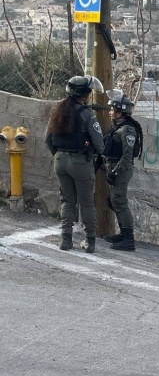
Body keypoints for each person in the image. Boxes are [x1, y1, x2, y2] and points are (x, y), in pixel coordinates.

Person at [45, 75, 105, 253]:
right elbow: (99, 144)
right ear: (85, 94)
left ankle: (65, 240)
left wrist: (58, 154)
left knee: (67, 200)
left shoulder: (58, 111)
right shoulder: (87, 114)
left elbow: (47, 139)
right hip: (80, 162)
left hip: (60, 161)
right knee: (86, 202)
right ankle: (90, 241)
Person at [101, 90, 143, 251]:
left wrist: (115, 172)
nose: (110, 112)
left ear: (120, 111)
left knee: (120, 201)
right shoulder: (117, 127)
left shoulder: (127, 130)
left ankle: (128, 238)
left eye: (113, 109)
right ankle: (122, 233)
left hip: (122, 169)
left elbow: (127, 156)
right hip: (114, 167)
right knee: (113, 201)